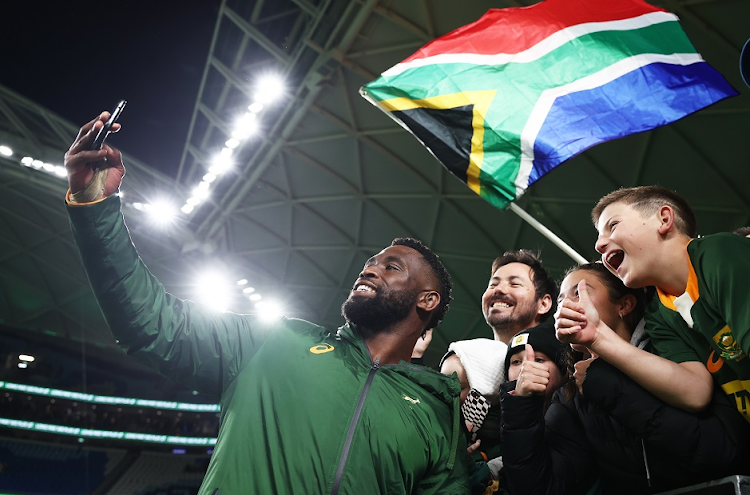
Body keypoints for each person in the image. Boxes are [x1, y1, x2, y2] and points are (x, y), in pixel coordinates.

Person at [64, 111, 471, 494]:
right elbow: (150, 323)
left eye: (391, 267)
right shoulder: (273, 341)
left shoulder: (437, 417)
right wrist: (96, 206)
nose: (369, 270)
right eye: (369, 262)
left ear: (428, 300)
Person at [502, 263, 750, 495]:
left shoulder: (674, 352)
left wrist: (606, 382)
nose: (566, 305)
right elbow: (541, 488)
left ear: (624, 305)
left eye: (579, 293)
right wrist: (523, 407)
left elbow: (720, 453)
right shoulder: (573, 393)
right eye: (562, 299)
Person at [557, 185, 750, 422]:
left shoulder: (719, 253)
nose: (598, 245)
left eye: (613, 225)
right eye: (598, 237)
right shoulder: (658, 313)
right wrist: (598, 337)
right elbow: (695, 393)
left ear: (664, 219)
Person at [439, 251, 556, 490]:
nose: (499, 290)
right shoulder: (467, 356)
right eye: (493, 284)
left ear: (544, 303)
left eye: (515, 283)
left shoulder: (564, 361)